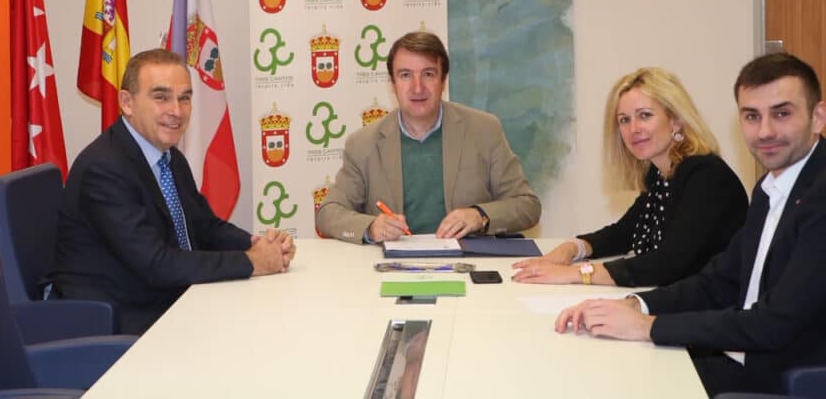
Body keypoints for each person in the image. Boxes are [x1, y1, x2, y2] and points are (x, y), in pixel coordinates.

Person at [555, 52, 826, 396]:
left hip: (790, 381)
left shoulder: (818, 197)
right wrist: (636, 304)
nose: (765, 131)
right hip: (743, 361)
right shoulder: (769, 188)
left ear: (818, 117)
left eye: (782, 114)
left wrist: (648, 327)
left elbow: (774, 322)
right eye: (751, 116)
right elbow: (718, 282)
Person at [47, 49, 295, 335]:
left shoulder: (168, 156)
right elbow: (156, 264)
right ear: (127, 103)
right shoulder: (104, 169)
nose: (177, 111)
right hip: (116, 321)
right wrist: (253, 262)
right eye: (161, 97)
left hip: (163, 301)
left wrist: (259, 244)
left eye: (184, 98)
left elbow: (203, 226)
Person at [512, 67, 747, 287]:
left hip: (710, 309)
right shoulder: (662, 174)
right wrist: (572, 248)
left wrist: (578, 274)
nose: (634, 129)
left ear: (676, 120)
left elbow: (667, 264)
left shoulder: (706, 177)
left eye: (645, 115)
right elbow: (623, 233)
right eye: (624, 120)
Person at [315, 31, 540, 243]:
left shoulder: (485, 130)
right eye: (405, 75)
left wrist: (480, 215)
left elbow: (528, 206)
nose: (417, 88)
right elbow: (328, 213)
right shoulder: (363, 144)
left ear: (443, 81)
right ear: (393, 84)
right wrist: (371, 227)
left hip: (468, 263)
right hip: (393, 265)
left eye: (429, 74)